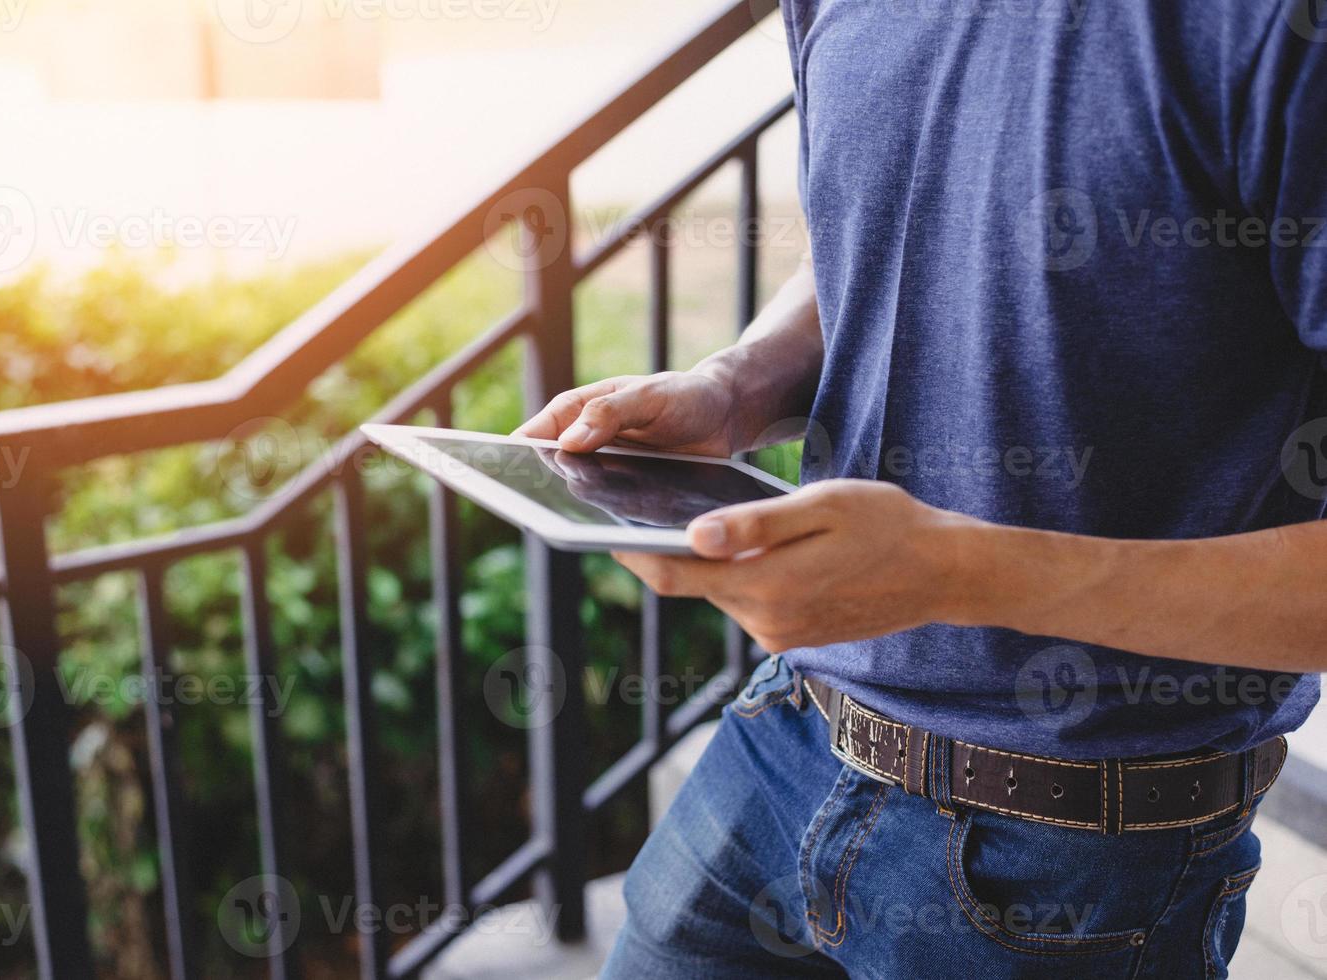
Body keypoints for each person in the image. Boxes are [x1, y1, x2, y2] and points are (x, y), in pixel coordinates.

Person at [516, 1, 1327, 976]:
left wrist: (955, 569)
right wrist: (737, 382)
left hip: (1075, 852)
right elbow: (902, 201)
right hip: (790, 735)